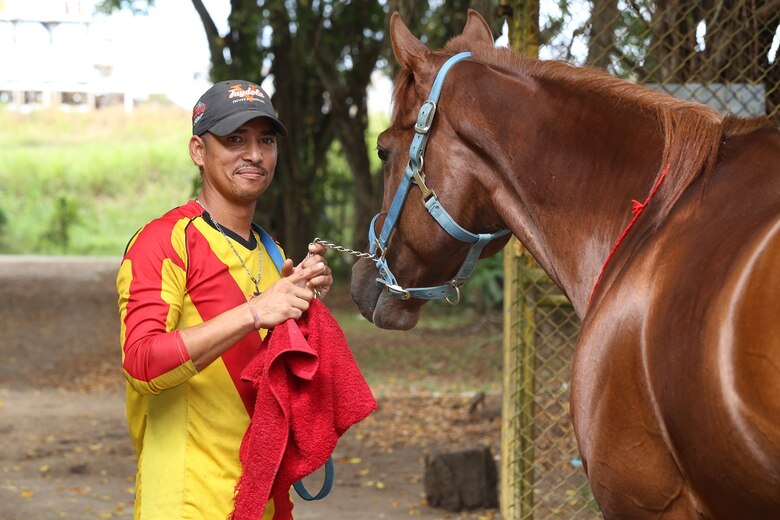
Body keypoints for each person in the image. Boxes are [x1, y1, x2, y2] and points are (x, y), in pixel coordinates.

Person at [116, 79, 333, 520]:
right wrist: (255, 312)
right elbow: (141, 364)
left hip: (265, 499)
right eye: (235, 139)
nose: (254, 154)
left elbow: (280, 379)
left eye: (265, 140)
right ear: (198, 150)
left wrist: (304, 309)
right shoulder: (164, 241)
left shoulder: (272, 252)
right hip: (186, 501)